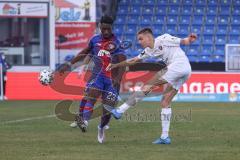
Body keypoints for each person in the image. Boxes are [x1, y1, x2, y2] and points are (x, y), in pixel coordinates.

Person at [105, 28, 197, 144]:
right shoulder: (148, 50)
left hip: (179, 65)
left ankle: (120, 110)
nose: (139, 42)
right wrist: (116, 65)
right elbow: (134, 60)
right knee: (165, 102)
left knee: (147, 86)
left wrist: (190, 38)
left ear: (148, 37)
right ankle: (165, 137)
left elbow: (184, 41)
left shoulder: (164, 38)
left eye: (140, 39)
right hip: (185, 71)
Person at [59, 15, 126, 143]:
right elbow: (83, 53)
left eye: (109, 29)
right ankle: (83, 120)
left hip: (112, 79)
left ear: (112, 28)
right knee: (90, 97)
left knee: (107, 110)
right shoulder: (94, 40)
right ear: (100, 26)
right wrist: (69, 65)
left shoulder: (117, 43)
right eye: (104, 29)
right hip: (98, 76)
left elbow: (123, 64)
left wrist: (117, 80)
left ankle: (101, 128)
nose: (106, 32)